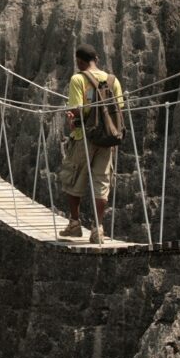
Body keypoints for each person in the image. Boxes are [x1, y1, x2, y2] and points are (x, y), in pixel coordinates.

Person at [58, 44, 123, 244]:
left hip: (83, 137)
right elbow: (119, 108)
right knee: (102, 182)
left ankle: (75, 224)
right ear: (96, 58)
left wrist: (71, 117)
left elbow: (77, 109)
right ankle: (98, 228)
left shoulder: (78, 79)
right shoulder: (113, 80)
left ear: (79, 61)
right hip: (107, 139)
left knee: (73, 177)